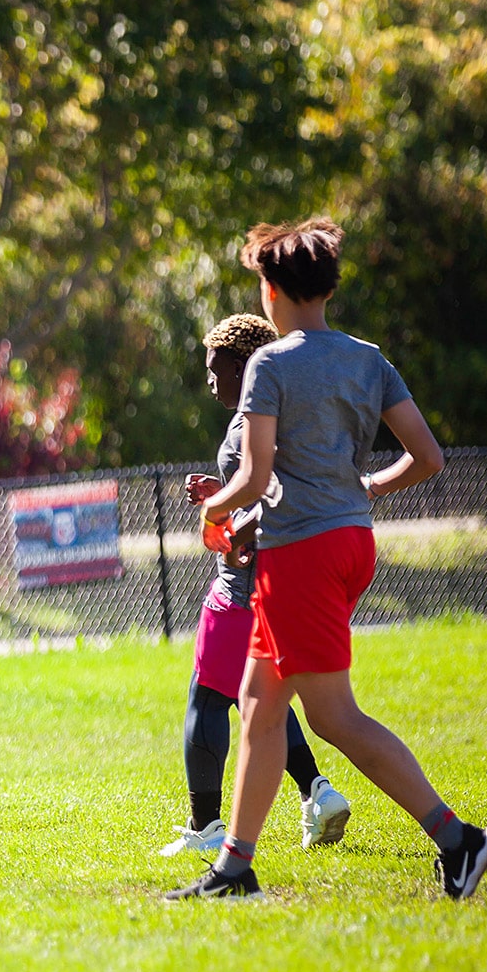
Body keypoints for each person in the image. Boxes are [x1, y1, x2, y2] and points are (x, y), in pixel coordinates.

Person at [167, 218, 487, 901]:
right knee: (260, 707)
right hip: (349, 544)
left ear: (273, 288)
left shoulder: (271, 364)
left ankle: (458, 839)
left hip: (302, 554)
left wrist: (212, 509)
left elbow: (256, 479)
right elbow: (428, 456)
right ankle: (234, 866)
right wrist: (370, 487)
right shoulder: (366, 357)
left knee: (331, 716)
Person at [162, 313, 350, 858]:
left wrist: (238, 526)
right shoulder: (273, 414)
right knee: (261, 702)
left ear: (243, 364)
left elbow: (273, 493)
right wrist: (221, 494)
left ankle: (206, 828)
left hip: (242, 589)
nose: (209, 380)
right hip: (280, 585)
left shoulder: (250, 422)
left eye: (214, 368)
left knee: (206, 700)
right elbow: (267, 485)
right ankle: (319, 793)